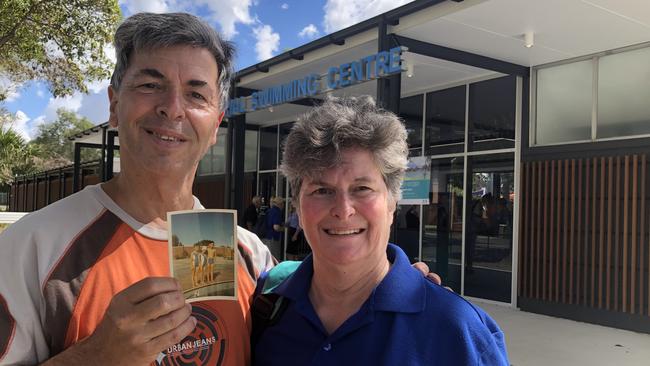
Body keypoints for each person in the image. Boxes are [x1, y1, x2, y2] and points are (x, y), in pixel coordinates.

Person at [0, 12, 275, 366]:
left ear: (216, 125)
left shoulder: (250, 254)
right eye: (150, 85)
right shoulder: (29, 250)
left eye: (195, 94)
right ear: (114, 106)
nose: (173, 109)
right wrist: (95, 356)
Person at [253, 96, 509, 365]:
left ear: (392, 202)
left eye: (362, 188)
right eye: (322, 190)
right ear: (298, 208)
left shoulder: (458, 332)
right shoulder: (265, 308)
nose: (343, 209)